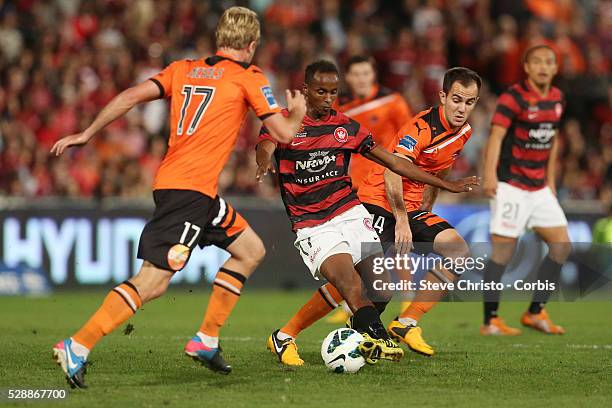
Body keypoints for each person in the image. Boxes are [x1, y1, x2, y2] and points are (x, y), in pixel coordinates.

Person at [50, 6, 307, 387]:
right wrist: (298, 112)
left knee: (250, 249)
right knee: (153, 282)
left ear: (219, 38)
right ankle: (78, 344)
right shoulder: (248, 76)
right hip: (190, 193)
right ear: (252, 45)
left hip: (186, 188)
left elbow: (132, 96)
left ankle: (206, 339)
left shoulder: (182, 68)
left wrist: (87, 132)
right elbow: (284, 134)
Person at [257, 61, 480, 366]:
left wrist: (441, 189)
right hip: (351, 209)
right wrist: (264, 159)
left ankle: (395, 325)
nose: (327, 98)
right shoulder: (288, 121)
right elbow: (267, 140)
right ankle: (301, 335)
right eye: (321, 91)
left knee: (399, 280)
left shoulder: (346, 125)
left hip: (369, 208)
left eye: (333, 92)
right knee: (349, 281)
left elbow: (416, 163)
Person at [480, 44, 570, 336]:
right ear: (527, 67)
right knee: (504, 252)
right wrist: (490, 176)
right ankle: (490, 320)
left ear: (556, 68)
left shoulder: (557, 99)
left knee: (561, 245)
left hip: (539, 186)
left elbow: (552, 139)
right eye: (538, 62)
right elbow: (496, 136)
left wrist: (551, 179)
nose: (544, 66)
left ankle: (535, 312)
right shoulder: (513, 97)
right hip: (511, 185)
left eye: (549, 62)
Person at [327, 55, 413, 323]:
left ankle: (407, 300)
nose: (362, 79)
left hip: (386, 185)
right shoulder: (342, 108)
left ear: (373, 75)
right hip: (352, 187)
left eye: (366, 73)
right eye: (357, 74)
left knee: (394, 243)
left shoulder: (392, 102)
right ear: (349, 79)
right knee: (360, 249)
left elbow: (411, 140)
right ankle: (349, 302)